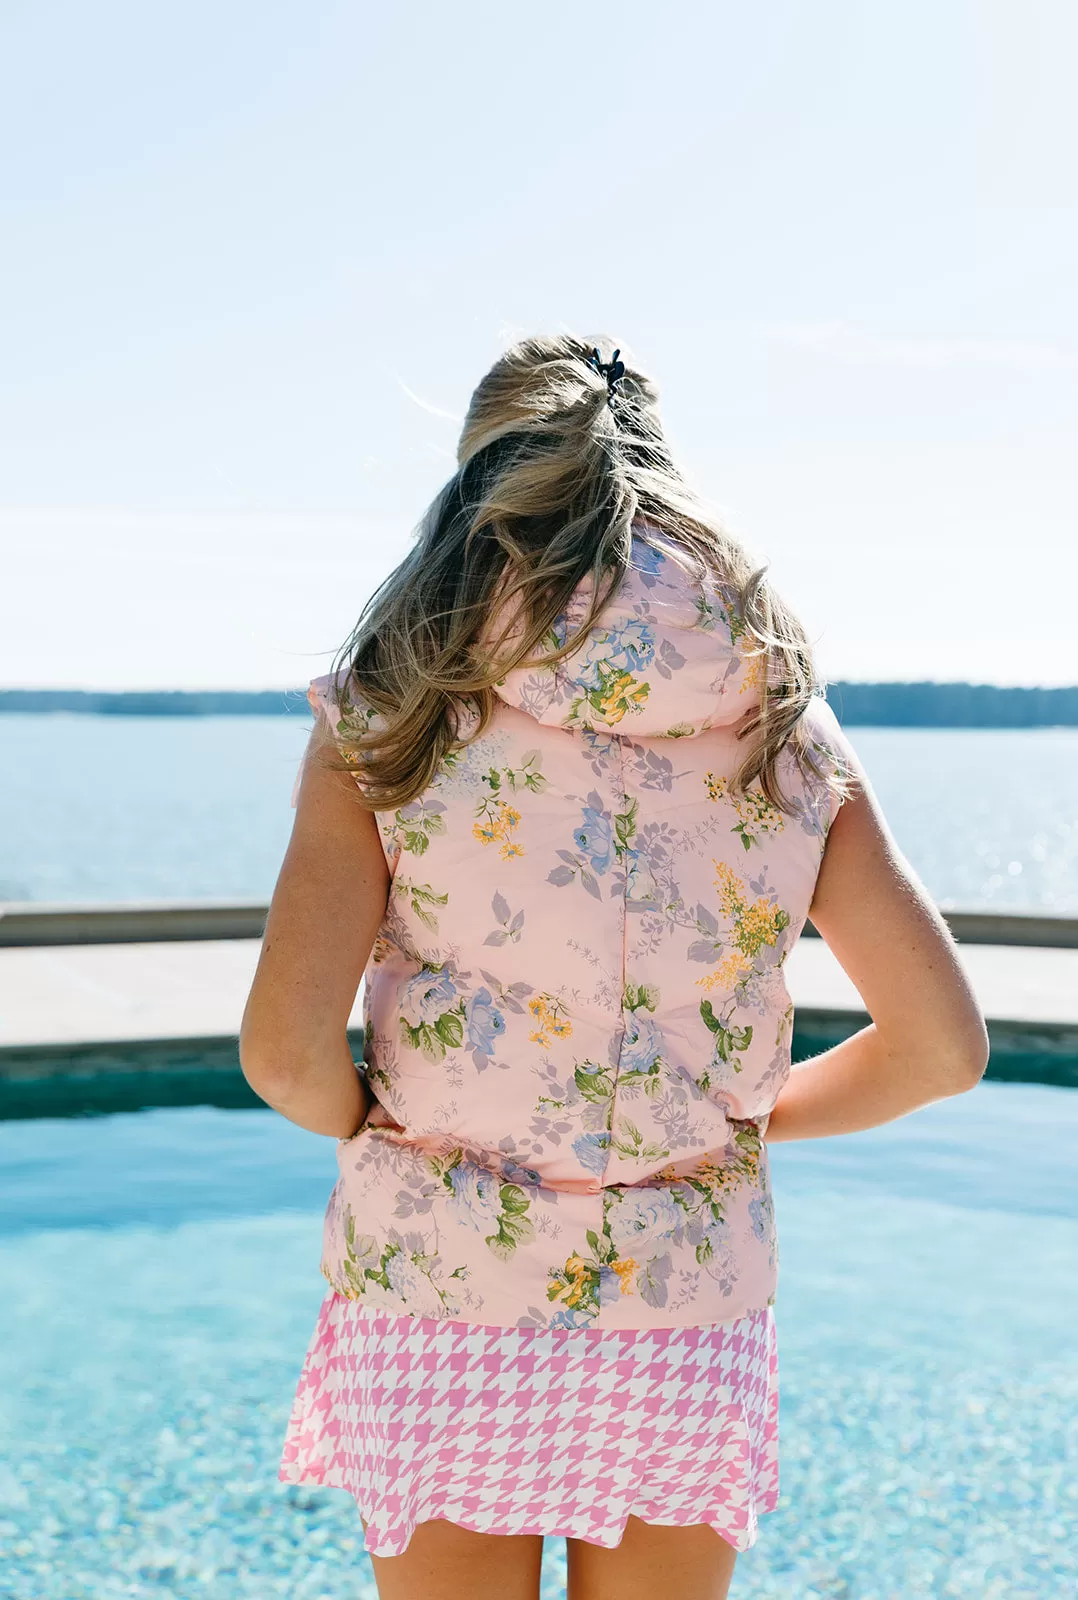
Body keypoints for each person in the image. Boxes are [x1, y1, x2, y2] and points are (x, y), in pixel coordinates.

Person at [240, 334, 989, 1600]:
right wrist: (738, 1127)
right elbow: (942, 1047)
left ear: (480, 483)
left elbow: (282, 1052)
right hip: (683, 1294)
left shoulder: (398, 707)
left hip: (441, 1279)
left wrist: (374, 1118)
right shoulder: (782, 721)